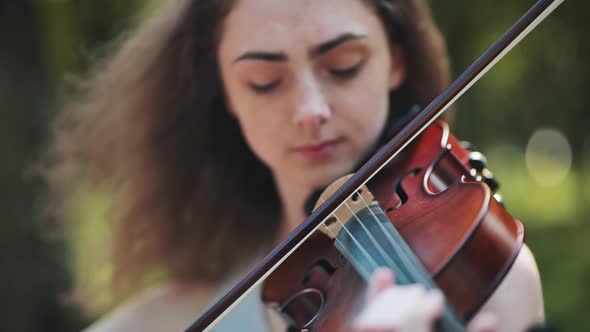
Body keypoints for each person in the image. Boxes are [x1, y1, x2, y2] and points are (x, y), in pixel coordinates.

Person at [43, 0, 545, 331]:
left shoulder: (491, 273)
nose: (310, 111)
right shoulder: (166, 320)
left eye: (343, 67)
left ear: (395, 61)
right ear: (225, 93)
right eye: (265, 81)